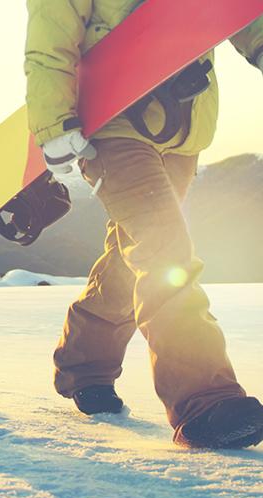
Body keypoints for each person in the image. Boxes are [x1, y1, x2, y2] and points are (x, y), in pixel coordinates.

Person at [25, 0, 263, 449]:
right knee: (164, 250)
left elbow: (237, 9)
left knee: (131, 255)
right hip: (112, 127)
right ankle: (204, 400)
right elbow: (50, 30)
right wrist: (53, 122)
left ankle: (83, 364)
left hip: (183, 129)